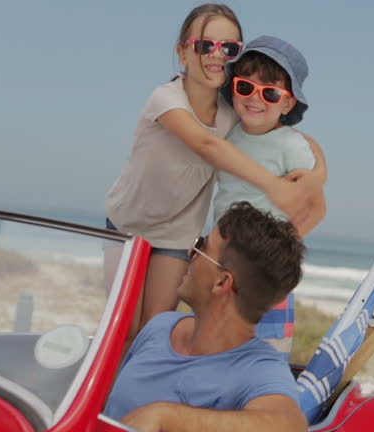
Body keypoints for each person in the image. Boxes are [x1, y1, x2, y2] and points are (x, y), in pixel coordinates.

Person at [103, 4, 327, 349]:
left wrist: (319, 174)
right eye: (206, 45)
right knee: (121, 328)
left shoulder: (233, 115)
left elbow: (290, 137)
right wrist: (273, 187)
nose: (217, 54)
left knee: (152, 331)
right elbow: (207, 145)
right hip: (129, 225)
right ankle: (109, 397)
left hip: (179, 235)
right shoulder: (166, 99)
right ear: (183, 51)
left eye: (230, 48)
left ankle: (140, 394)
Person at [104, 201, 307, 432]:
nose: (191, 253)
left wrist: (165, 416)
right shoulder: (161, 327)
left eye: (201, 246)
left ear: (222, 282)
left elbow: (290, 426)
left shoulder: (259, 369)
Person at [213, 35, 326, 359]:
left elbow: (317, 209)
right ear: (234, 86)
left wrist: (272, 254)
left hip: (265, 270)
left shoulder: (291, 146)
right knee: (218, 347)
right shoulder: (229, 131)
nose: (255, 100)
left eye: (271, 93)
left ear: (288, 103)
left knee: (264, 354)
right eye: (246, 87)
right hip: (223, 264)